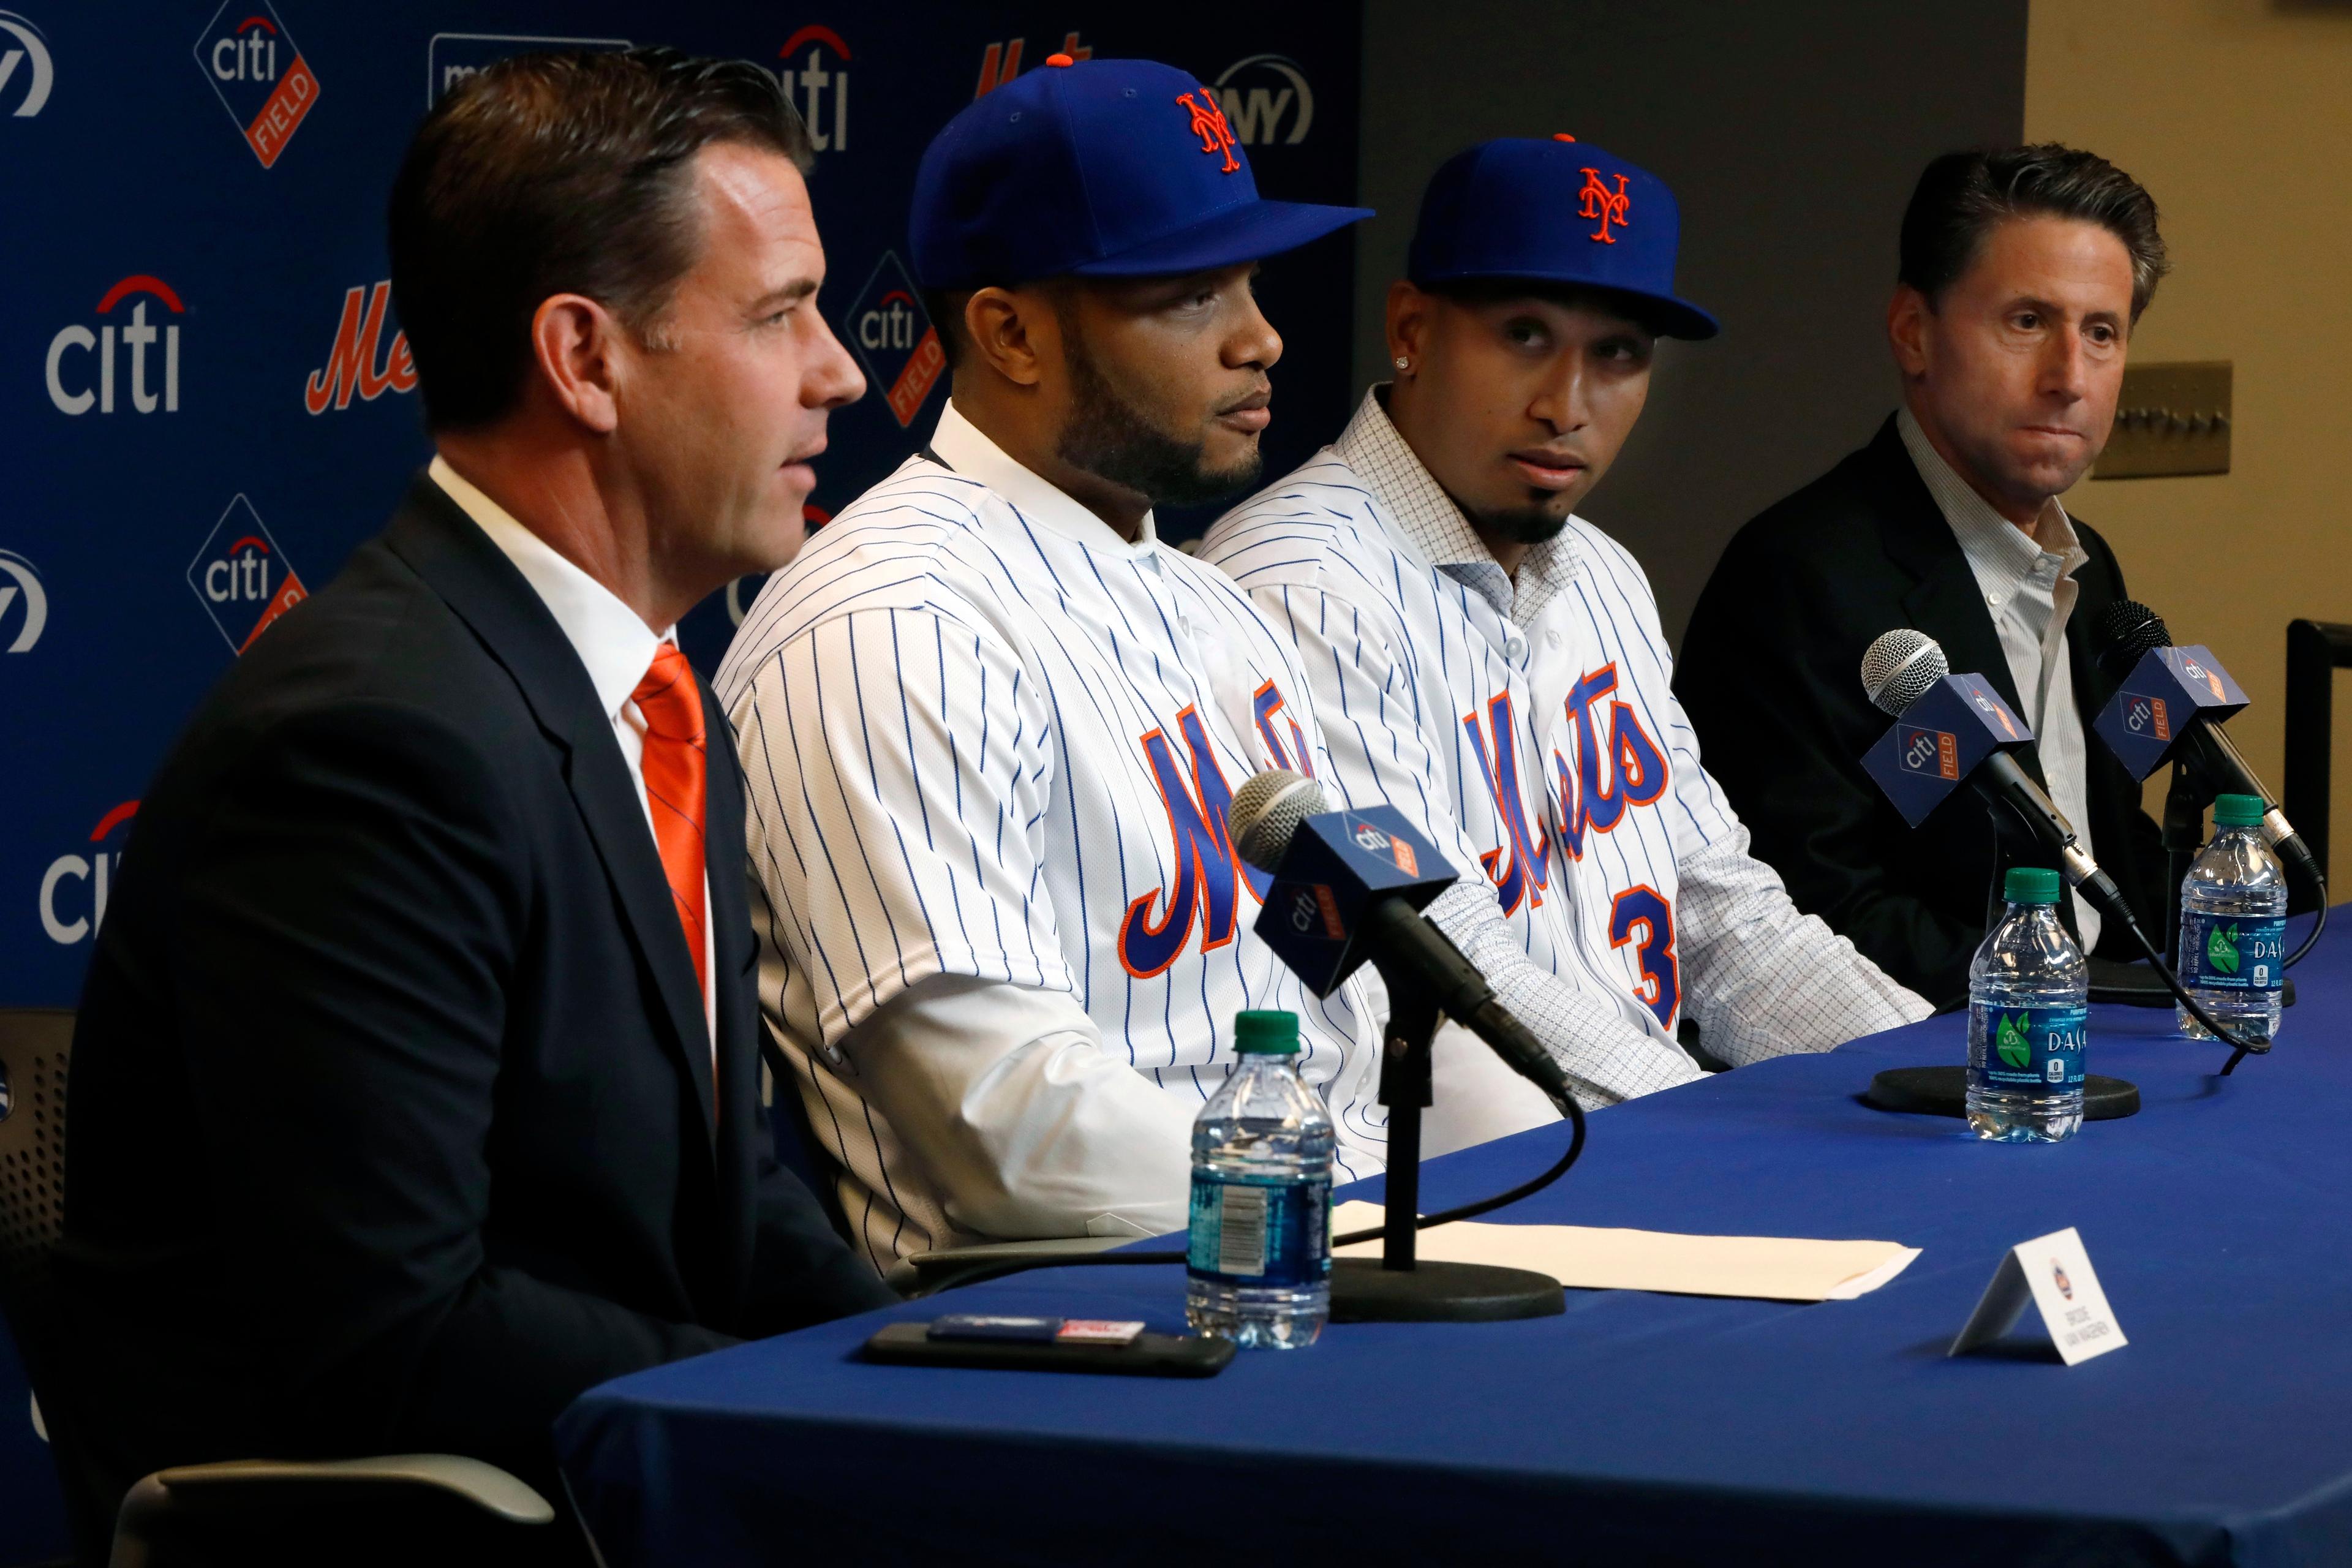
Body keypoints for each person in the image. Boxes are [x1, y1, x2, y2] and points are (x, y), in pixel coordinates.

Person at [55, 48, 893, 1542]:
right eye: (779, 315)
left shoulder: (660, 697)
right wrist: (819, 1411)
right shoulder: (372, 736)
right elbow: (396, 1339)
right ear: (586, 359)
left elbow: (722, 1203)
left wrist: (927, 1373)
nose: (842, 368)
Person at [715, 55, 1382, 1268]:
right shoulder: (891, 622)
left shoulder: (1213, 605)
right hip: (1078, 1332)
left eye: (1250, 280)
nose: (1262, 337)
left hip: (1317, 1263)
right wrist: (1361, 1225)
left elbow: (1370, 984)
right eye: (1189, 295)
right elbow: (1008, 1128)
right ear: (1010, 332)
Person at [1200, 137, 1929, 1152]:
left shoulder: (1602, 574)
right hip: (1447, 1174)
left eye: (1618, 354)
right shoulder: (1303, 578)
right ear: (1412, 327)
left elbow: (1723, 910)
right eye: (1525, 336)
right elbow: (1449, 962)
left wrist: (1934, 1076)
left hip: (1632, 1135)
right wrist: (1705, 1134)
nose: (1567, 405)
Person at [1675, 144, 2171, 1008]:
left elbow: (2110, 842)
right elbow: (1809, 911)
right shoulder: (1799, 576)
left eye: (2102, 333)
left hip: (2105, 1038)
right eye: (2027, 322)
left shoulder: (2090, 569)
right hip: (1925, 1067)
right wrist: (2053, 1002)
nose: (2069, 379)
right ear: (1914, 332)